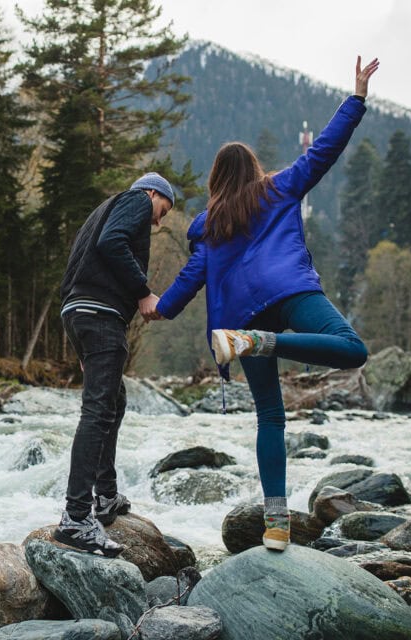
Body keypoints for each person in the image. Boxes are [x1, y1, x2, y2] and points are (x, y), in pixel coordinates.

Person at [149, 57, 379, 552]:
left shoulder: (208, 227)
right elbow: (324, 150)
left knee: (270, 417)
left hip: (240, 323)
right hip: (290, 293)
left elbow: (190, 280)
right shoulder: (278, 188)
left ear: (215, 179)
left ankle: (276, 525)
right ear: (253, 169)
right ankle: (264, 344)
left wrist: (157, 307)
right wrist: (355, 99)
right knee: (352, 348)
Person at [55, 172, 175, 557]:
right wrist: (143, 292)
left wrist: (79, 337)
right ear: (153, 192)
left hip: (78, 313)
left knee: (114, 403)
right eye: (163, 210)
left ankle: (105, 496)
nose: (157, 222)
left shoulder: (99, 212)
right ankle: (76, 517)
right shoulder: (136, 200)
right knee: (97, 412)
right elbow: (113, 243)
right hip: (100, 315)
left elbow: (76, 269)